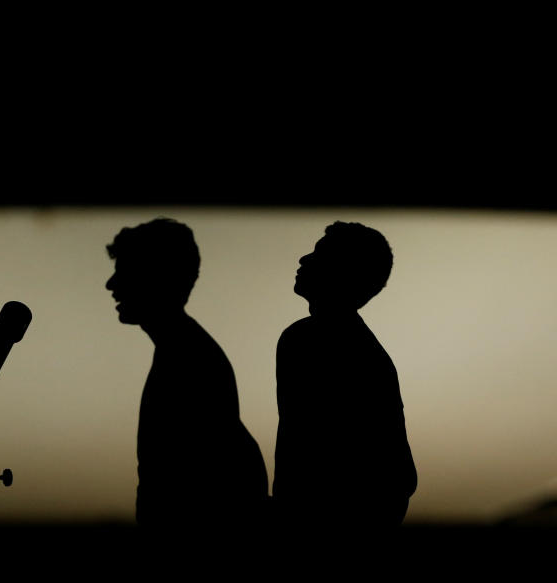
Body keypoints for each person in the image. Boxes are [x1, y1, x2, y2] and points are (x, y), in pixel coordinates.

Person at [105, 218, 268, 529]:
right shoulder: (184, 351)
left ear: (156, 277)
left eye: (124, 271)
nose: (111, 284)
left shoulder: (189, 360)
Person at [274, 222, 417, 527]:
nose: (304, 259)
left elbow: (395, 474)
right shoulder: (311, 339)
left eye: (319, 254)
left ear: (343, 273)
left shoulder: (311, 341)